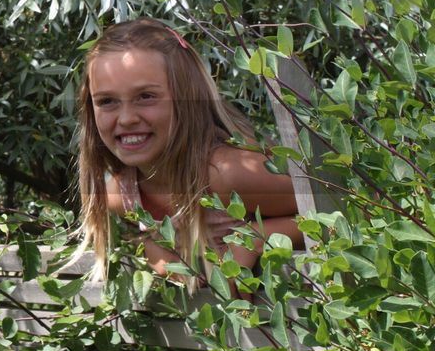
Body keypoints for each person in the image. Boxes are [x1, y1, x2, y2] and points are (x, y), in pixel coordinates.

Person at [76, 18, 302, 287]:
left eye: (146, 96)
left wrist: (255, 239)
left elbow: (343, 208)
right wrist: (152, 247)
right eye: (107, 101)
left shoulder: (225, 176)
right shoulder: (123, 196)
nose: (126, 119)